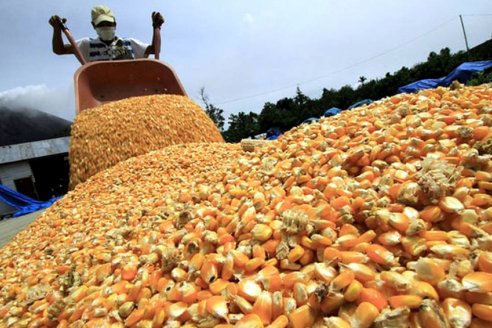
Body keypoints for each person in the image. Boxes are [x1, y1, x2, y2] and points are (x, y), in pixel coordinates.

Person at [49, 5, 164, 62]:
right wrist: (57, 30)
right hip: (100, 92)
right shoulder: (87, 45)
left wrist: (156, 27)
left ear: (115, 24)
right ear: (94, 26)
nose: (106, 27)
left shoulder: (129, 43)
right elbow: (59, 50)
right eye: (101, 24)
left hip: (130, 88)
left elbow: (154, 50)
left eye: (109, 24)